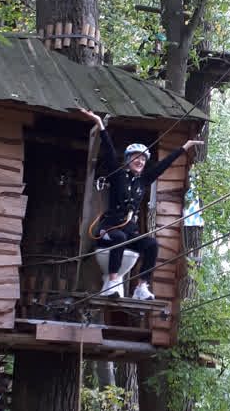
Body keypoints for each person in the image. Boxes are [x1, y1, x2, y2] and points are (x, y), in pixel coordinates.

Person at [80, 110, 200, 299]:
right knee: (120, 237)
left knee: (151, 244)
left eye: (143, 158)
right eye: (137, 157)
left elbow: (163, 165)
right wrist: (100, 124)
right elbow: (109, 151)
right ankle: (112, 282)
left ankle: (142, 287)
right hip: (109, 230)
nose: (140, 161)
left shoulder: (143, 180)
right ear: (128, 159)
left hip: (129, 232)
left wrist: (184, 147)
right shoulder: (118, 175)